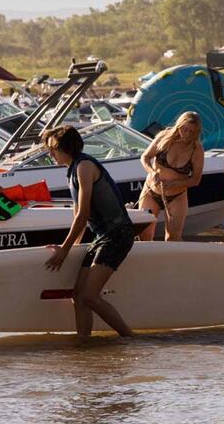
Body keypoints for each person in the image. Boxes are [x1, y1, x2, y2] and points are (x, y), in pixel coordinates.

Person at [42, 125, 134, 340]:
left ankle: (130, 339)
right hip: (101, 237)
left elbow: (82, 214)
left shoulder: (84, 166)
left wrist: (64, 250)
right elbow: (79, 218)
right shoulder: (71, 170)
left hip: (117, 234)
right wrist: (73, 249)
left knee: (90, 297)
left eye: (52, 148)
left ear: (65, 147)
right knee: (78, 297)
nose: (50, 153)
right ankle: (84, 344)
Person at [137, 111, 205, 241]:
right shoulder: (164, 137)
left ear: (196, 132)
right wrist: (152, 172)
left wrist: (174, 184)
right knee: (144, 236)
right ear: (179, 125)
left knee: (173, 238)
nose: (186, 134)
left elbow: (196, 179)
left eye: (191, 132)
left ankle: (168, 261)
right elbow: (145, 157)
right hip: (151, 191)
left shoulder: (196, 149)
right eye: (184, 129)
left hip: (177, 196)